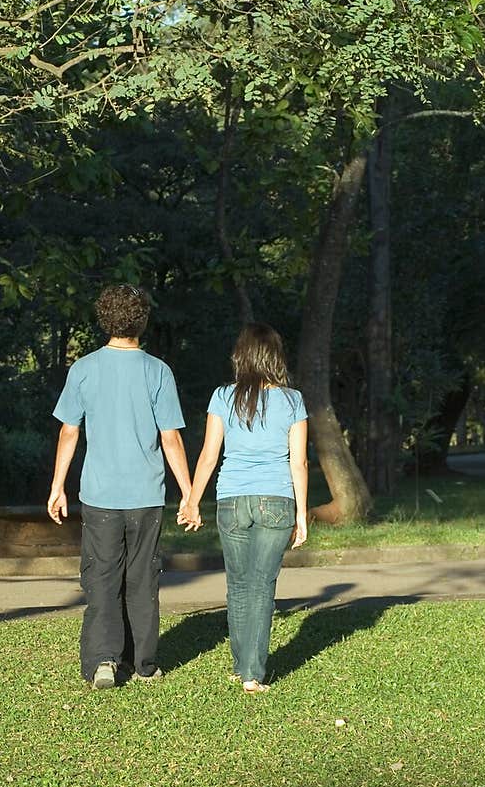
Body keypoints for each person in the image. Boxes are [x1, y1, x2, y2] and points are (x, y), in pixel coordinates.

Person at [47, 283, 193, 689]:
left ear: (103, 320)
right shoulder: (158, 371)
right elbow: (171, 438)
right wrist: (188, 493)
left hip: (100, 497)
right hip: (146, 497)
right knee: (142, 580)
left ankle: (103, 663)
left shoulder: (83, 369)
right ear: (142, 321)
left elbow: (68, 432)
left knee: (102, 578)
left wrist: (57, 485)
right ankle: (143, 664)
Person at [178, 322, 308, 693]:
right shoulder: (292, 400)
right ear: (275, 357)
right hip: (277, 501)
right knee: (262, 585)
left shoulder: (222, 396)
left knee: (238, 585)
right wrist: (301, 513)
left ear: (241, 356)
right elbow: (298, 463)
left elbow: (207, 456)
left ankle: (241, 665)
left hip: (231, 499)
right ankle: (253, 673)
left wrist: (192, 502)